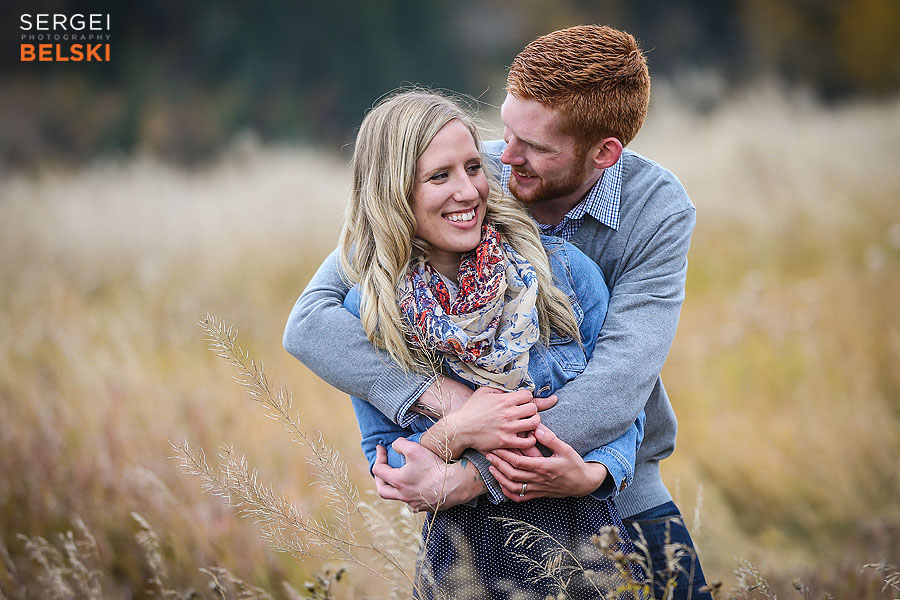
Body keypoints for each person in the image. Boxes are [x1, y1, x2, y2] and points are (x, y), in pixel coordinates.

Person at [285, 25, 711, 599]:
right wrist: (446, 403)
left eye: (534, 146)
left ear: (604, 152)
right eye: (506, 131)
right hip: (473, 539)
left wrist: (473, 475)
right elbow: (312, 320)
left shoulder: (655, 211)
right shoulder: (469, 173)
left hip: (610, 491)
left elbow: (618, 386)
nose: (504, 157)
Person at [332, 89, 644, 598]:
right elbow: (391, 467)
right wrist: (460, 427)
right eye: (440, 176)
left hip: (588, 544)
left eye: (474, 167)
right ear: (392, 192)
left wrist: (591, 474)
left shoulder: (562, 273)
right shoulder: (370, 313)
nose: (468, 191)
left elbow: (623, 412)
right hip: (463, 561)